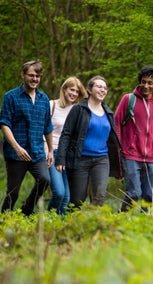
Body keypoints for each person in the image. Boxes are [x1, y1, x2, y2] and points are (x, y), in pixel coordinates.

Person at [55, 75, 122, 209]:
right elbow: (66, 134)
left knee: (99, 197)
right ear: (89, 90)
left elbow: (113, 142)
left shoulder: (109, 113)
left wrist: (120, 169)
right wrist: (61, 159)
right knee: (77, 201)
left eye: (105, 88)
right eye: (99, 86)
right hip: (80, 159)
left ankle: (93, 227)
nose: (102, 90)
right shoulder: (79, 109)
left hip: (102, 159)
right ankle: (71, 227)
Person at [114, 65, 153, 212]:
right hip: (131, 156)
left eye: (150, 83)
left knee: (148, 197)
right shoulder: (128, 99)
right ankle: (121, 219)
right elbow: (116, 125)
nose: (146, 85)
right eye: (143, 81)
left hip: (151, 158)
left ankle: (144, 223)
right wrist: (119, 152)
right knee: (134, 193)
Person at [0, 60, 54, 216]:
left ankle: (26, 211)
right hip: (16, 153)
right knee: (13, 192)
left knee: (44, 180)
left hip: (37, 152)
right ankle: (4, 220)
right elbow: (4, 124)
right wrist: (17, 147)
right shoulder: (11, 97)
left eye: (38, 76)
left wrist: (50, 150)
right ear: (23, 75)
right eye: (31, 75)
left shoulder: (44, 98)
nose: (35, 79)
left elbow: (47, 126)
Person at [45, 77, 87, 215]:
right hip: (52, 152)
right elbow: (42, 129)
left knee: (67, 197)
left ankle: (58, 226)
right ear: (64, 89)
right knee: (59, 193)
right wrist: (48, 150)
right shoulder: (51, 105)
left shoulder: (78, 110)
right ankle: (46, 220)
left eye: (77, 91)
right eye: (72, 90)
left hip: (68, 156)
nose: (74, 94)